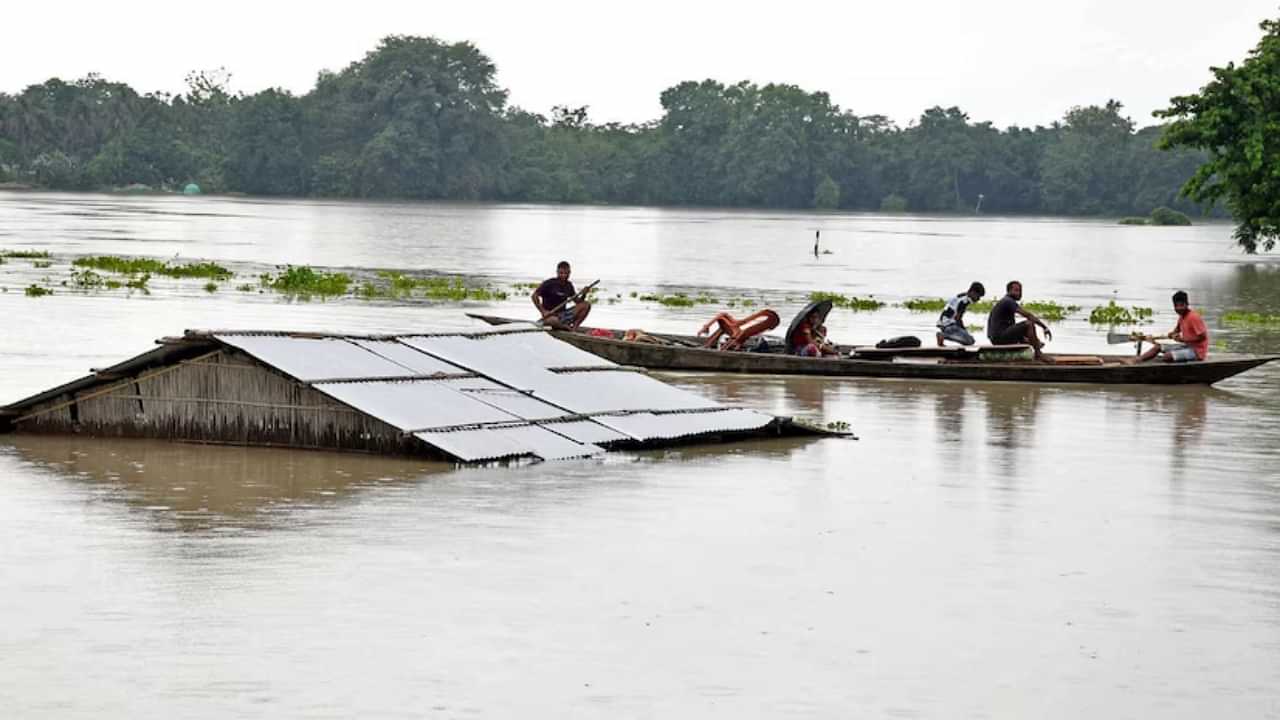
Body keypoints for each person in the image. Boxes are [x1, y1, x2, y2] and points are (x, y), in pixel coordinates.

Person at [1132, 290, 1209, 363]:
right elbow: (1176, 330)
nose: (1179, 308)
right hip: (1186, 347)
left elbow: (1203, 337)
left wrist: (1182, 339)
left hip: (1197, 352)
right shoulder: (1182, 317)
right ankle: (1135, 361)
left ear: (1187, 304)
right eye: (1176, 306)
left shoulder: (1193, 317)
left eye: (1181, 305)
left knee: (1167, 357)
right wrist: (1171, 334)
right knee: (1158, 347)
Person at [986, 280, 1052, 359]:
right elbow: (1028, 315)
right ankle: (1038, 354)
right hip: (999, 338)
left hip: (997, 337)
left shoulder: (1007, 301)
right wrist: (1044, 327)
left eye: (1020, 291)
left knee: (1027, 333)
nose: (1019, 293)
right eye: (1016, 290)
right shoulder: (1008, 301)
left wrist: (1032, 340)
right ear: (1009, 291)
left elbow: (1013, 328)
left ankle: (1035, 345)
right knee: (1029, 324)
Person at [531, 260, 591, 330]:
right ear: (557, 272)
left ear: (569, 273)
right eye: (561, 273)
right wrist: (543, 311)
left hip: (563, 315)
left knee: (586, 304)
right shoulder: (549, 283)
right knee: (552, 321)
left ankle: (574, 327)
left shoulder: (569, 285)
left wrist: (584, 294)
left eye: (566, 273)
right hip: (550, 316)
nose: (564, 275)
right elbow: (534, 296)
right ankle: (566, 328)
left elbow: (578, 302)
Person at [697, 309, 780, 351]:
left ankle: (707, 344)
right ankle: (707, 344)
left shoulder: (739, 332)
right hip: (737, 335)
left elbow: (744, 326)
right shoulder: (731, 326)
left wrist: (723, 350)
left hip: (738, 336)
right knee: (722, 318)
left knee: (723, 319)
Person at [936, 281, 985, 346]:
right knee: (970, 341)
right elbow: (958, 318)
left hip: (943, 324)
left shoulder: (961, 296)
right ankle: (944, 336)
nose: (978, 299)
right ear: (972, 292)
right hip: (950, 325)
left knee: (967, 337)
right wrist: (964, 330)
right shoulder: (965, 301)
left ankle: (943, 337)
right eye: (978, 296)